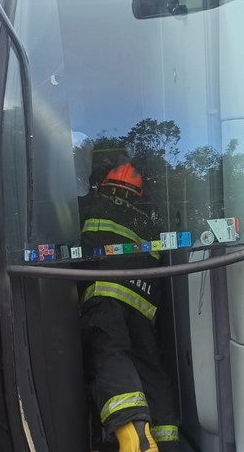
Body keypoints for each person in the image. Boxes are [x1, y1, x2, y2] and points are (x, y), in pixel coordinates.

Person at [80, 163, 180, 452]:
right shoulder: (148, 220)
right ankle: (166, 440)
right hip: (144, 302)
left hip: (107, 291)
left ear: (106, 185)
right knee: (149, 367)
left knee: (111, 353)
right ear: (139, 193)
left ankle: (133, 436)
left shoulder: (92, 203)